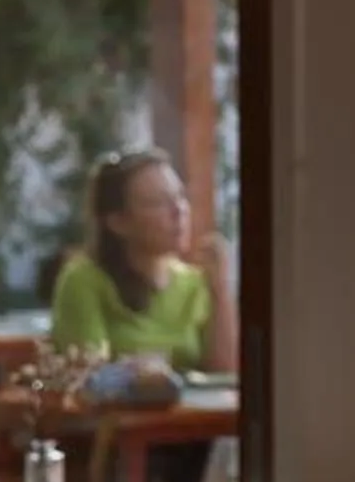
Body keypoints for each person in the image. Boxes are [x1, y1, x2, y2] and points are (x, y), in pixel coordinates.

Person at [50, 149, 236, 373]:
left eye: (180, 196)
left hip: (194, 409)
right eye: (158, 203)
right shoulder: (83, 280)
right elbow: (88, 377)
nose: (179, 211)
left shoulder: (195, 283)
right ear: (118, 222)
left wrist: (220, 291)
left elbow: (226, 373)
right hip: (120, 409)